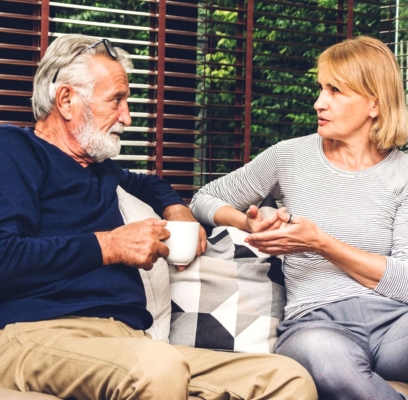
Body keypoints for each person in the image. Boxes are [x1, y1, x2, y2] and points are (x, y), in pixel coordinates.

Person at [0, 34, 318, 400]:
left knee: (287, 378)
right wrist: (109, 246)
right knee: (156, 366)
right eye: (116, 100)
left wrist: (178, 211)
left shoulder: (101, 169)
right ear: (67, 100)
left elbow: (152, 184)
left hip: (128, 343)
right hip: (35, 335)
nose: (127, 117)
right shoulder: (14, 150)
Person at [190, 36, 408, 400]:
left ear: (374, 103)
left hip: (399, 328)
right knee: (326, 356)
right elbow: (204, 199)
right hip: (316, 326)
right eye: (321, 88)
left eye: (335, 90)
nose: (320, 102)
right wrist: (246, 223)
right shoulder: (287, 157)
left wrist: (321, 244)